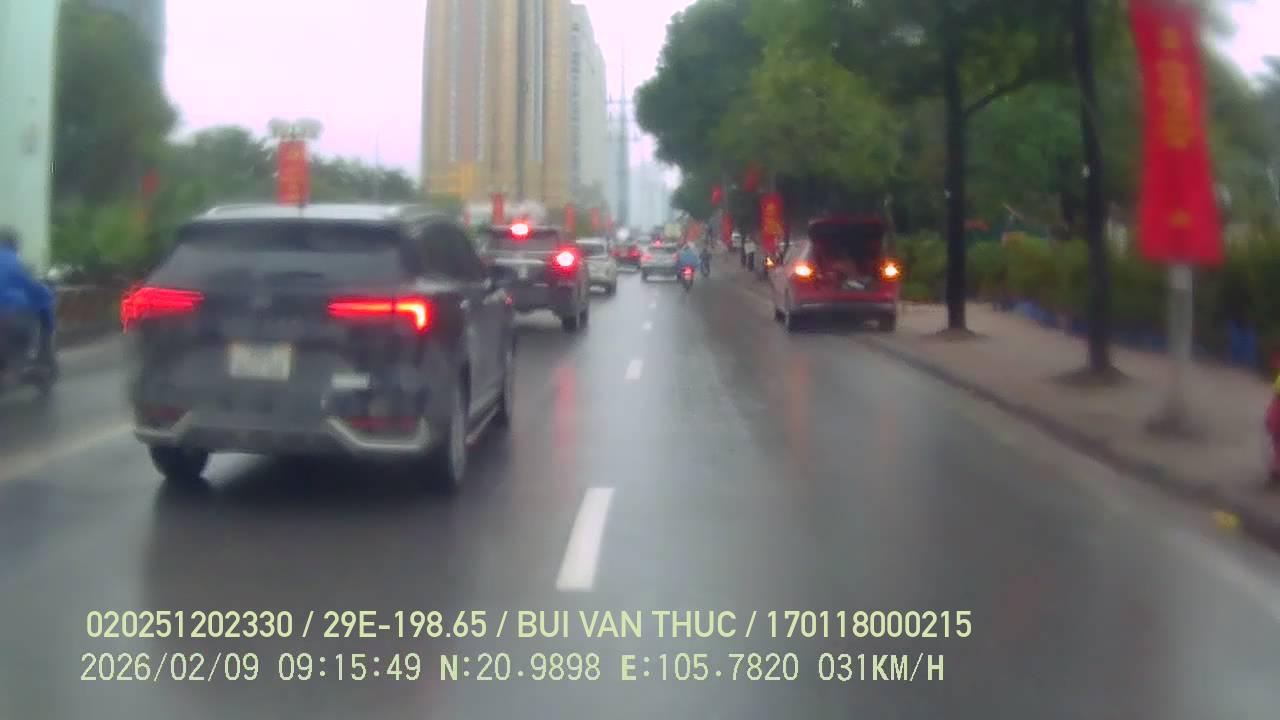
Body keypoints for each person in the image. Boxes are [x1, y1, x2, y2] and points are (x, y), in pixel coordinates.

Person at [0, 227, 55, 365]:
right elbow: (32, 287)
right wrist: (45, 297)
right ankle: (35, 359)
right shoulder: (14, 262)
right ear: (14, 244)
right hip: (12, 314)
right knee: (27, 327)